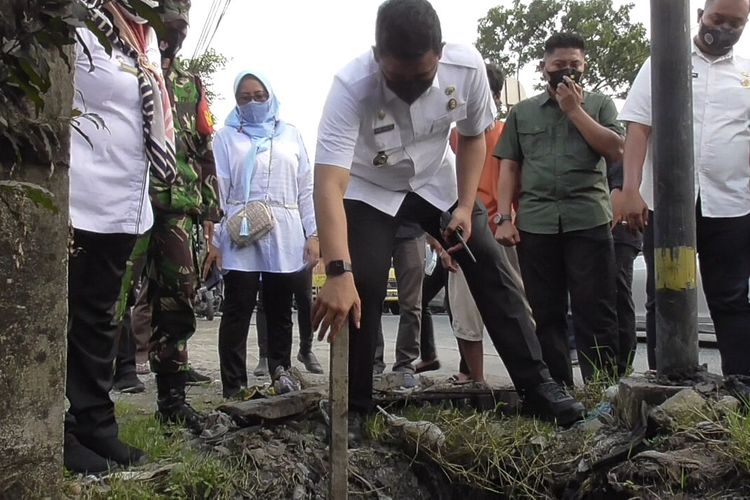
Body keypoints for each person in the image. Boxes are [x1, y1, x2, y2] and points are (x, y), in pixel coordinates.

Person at [312, 0, 586, 440]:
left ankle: (538, 388)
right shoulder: (350, 86)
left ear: (439, 53)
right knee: (359, 282)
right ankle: (354, 407)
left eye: (420, 80)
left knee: (490, 267)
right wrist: (337, 271)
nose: (410, 93)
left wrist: (462, 207)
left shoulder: (468, 67)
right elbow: (328, 183)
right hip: (370, 187)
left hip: (436, 181)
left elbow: (475, 136)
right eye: (396, 81)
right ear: (376, 53)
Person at [66, 0, 175, 474]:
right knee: (60, 317)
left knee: (97, 320)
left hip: (122, 201)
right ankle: (53, 429)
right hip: (74, 194)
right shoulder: (76, 18)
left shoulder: (141, 37)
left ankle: (94, 425)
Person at [615, 0, 750, 376]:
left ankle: (742, 385)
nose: (724, 28)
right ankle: (668, 381)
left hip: (731, 205)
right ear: (699, 16)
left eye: (735, 23)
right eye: (717, 19)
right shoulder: (662, 60)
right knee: (665, 294)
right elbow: (638, 127)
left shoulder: (746, 73)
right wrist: (630, 190)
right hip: (667, 207)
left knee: (732, 297)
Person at [495, 32, 624, 388]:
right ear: (544, 67)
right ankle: (557, 393)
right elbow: (508, 166)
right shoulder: (522, 112)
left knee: (595, 311)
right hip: (537, 224)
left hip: (588, 219)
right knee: (547, 313)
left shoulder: (600, 105)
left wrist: (574, 110)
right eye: (558, 66)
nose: (566, 72)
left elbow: (615, 149)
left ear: (585, 66)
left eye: (574, 66)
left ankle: (602, 392)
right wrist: (504, 217)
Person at [205, 71, 319, 399]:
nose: (252, 102)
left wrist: (313, 233)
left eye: (258, 96)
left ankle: (280, 371)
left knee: (280, 307)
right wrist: (215, 242)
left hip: (284, 231)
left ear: (270, 96)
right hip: (240, 228)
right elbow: (220, 189)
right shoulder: (226, 137)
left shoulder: (290, 135)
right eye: (244, 97)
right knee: (237, 307)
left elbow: (305, 187)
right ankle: (234, 385)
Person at [373, 222, 426, 388]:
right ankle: (372, 363)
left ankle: (405, 365)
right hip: (374, 226)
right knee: (370, 301)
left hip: (412, 229)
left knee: (411, 304)